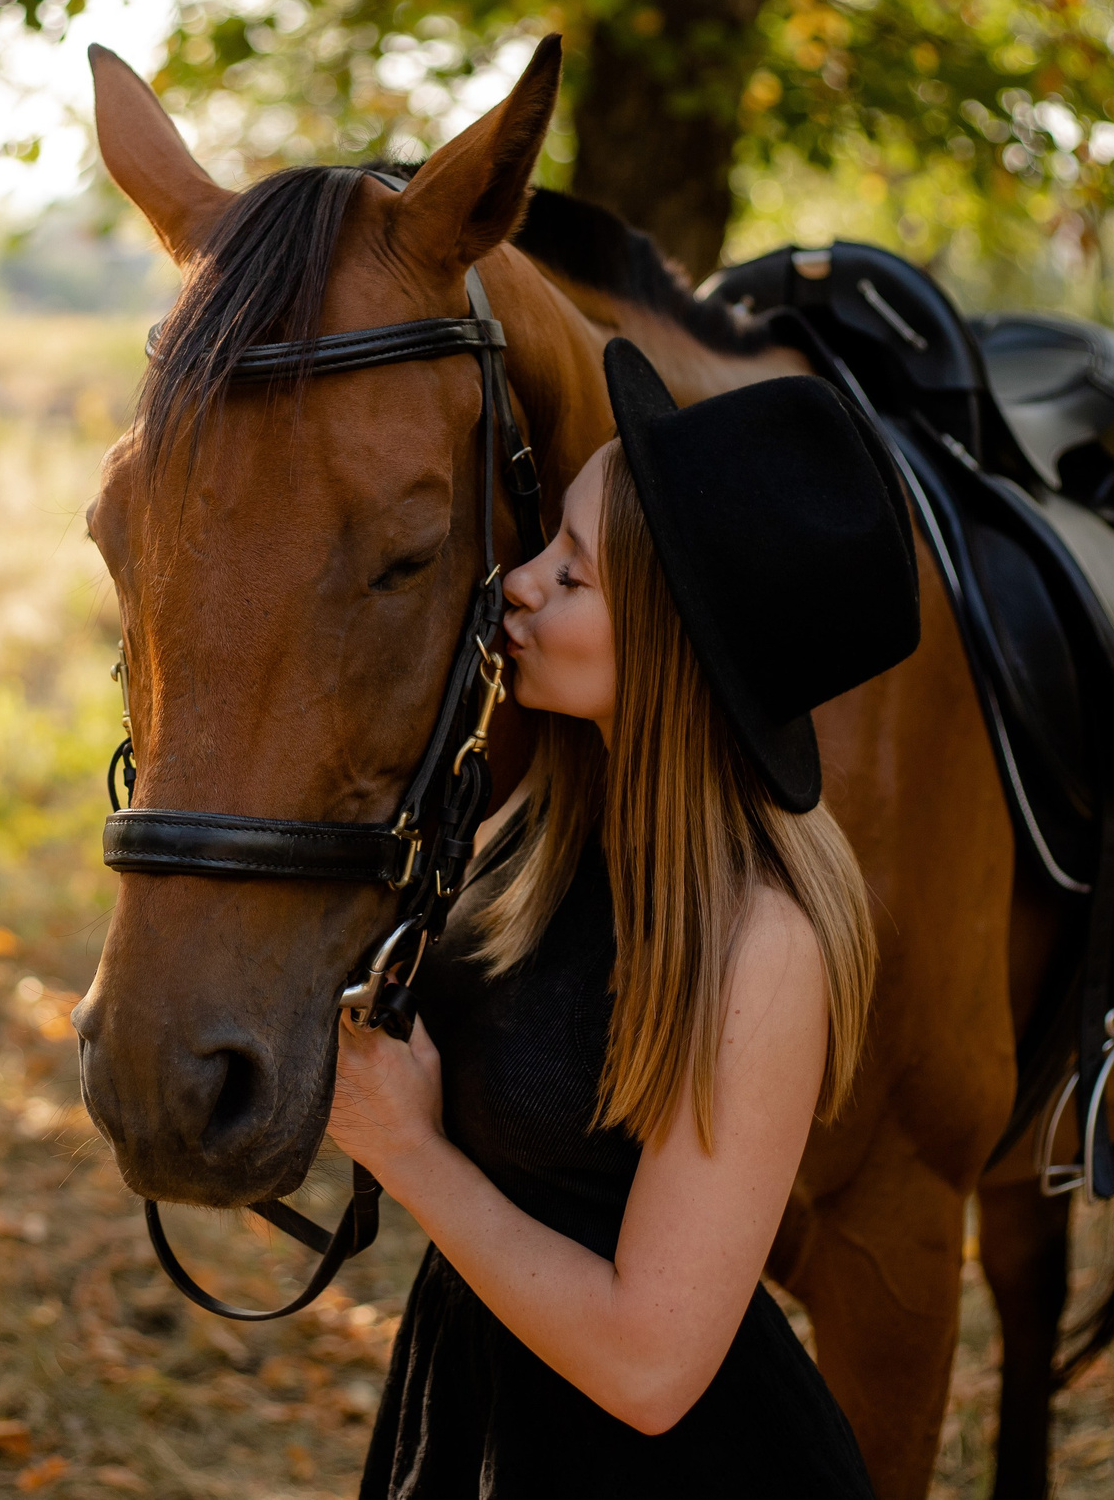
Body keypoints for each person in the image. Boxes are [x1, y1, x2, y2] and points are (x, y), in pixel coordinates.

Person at [329, 338, 922, 1497]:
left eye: (574, 573)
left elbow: (651, 1364)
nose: (519, 582)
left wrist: (407, 1150)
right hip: (477, 1411)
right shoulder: (538, 832)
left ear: (674, 641)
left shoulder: (760, 944)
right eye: (547, 546)